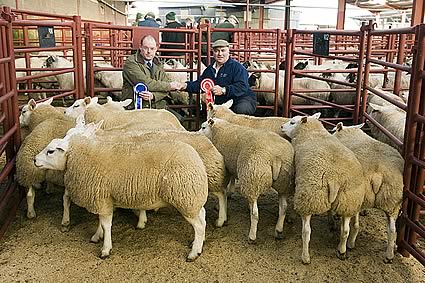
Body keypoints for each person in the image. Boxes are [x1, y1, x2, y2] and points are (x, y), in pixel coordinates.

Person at [183, 39, 256, 115]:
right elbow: (201, 84)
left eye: (223, 50)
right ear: (213, 53)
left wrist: (223, 90)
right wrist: (185, 86)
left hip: (241, 98)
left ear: (228, 51)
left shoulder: (237, 67)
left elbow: (242, 86)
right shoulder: (210, 70)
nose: (220, 54)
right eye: (217, 51)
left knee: (241, 109)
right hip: (224, 102)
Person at [122, 35, 183, 110]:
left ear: (156, 49)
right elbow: (146, 83)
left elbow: (166, 87)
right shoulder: (131, 62)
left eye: (152, 48)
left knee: (178, 120)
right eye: (145, 48)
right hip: (136, 107)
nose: (149, 51)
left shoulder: (157, 63)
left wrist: (154, 96)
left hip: (157, 106)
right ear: (140, 47)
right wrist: (169, 86)